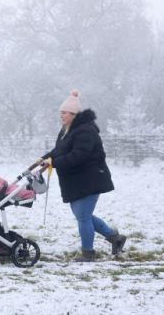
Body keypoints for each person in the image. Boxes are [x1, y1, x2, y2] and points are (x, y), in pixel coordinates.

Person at [39, 90, 127, 262]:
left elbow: (79, 155)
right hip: (77, 180)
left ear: (73, 114)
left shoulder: (85, 131)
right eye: (60, 112)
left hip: (91, 178)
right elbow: (59, 151)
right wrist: (45, 158)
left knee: (83, 216)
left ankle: (88, 253)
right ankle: (116, 239)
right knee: (83, 215)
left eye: (64, 113)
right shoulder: (67, 130)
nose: (61, 116)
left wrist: (54, 163)